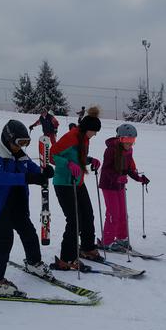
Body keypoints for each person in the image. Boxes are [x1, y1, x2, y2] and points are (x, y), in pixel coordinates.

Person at [0, 119, 55, 296]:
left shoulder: (20, 154)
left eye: (26, 143)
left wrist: (43, 173)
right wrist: (26, 179)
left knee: (28, 232)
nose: (21, 147)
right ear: (7, 138)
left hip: (17, 202)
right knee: (4, 238)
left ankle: (34, 262)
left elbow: (32, 168)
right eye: (19, 143)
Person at [49, 106, 103, 271]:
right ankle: (67, 258)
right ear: (87, 129)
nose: (95, 135)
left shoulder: (84, 138)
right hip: (64, 183)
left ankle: (87, 247)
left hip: (77, 182)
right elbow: (52, 155)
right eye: (94, 132)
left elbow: (76, 156)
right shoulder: (72, 137)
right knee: (74, 219)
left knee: (87, 214)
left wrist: (89, 160)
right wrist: (68, 164)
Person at [98, 123, 150, 252]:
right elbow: (106, 169)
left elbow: (128, 169)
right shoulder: (111, 149)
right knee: (113, 213)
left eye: (132, 140)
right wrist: (117, 178)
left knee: (122, 213)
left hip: (120, 185)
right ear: (119, 138)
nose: (129, 143)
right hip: (109, 185)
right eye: (126, 140)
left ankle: (121, 238)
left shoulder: (129, 150)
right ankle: (107, 241)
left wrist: (139, 178)